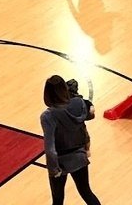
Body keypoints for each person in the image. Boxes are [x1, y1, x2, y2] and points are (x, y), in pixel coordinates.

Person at [41, 75, 101, 205]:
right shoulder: (79, 103)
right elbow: (91, 114)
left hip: (60, 162)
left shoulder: (48, 115)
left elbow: (50, 148)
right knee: (86, 192)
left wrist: (54, 170)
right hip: (80, 156)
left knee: (58, 200)